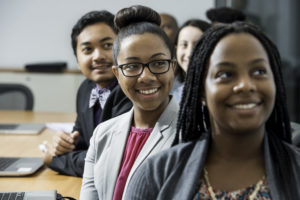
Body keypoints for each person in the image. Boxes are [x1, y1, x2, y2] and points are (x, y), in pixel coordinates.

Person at [125, 22, 300, 199]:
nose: (245, 85)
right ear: (201, 91)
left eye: (259, 71)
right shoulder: (156, 174)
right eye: (225, 74)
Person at [80, 5, 179, 200]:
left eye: (158, 63)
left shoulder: (194, 134)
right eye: (132, 66)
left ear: (173, 67)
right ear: (117, 74)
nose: (146, 77)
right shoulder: (102, 134)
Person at [42, 10, 132, 177]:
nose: (97, 56)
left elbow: (111, 161)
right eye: (88, 49)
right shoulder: (86, 89)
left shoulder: (130, 90)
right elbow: (82, 141)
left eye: (107, 45)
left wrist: (54, 160)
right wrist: (63, 143)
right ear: (77, 60)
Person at [171, 19, 210, 102]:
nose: (189, 54)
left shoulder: (219, 92)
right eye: (184, 45)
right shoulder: (175, 97)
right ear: (176, 49)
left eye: (197, 45)